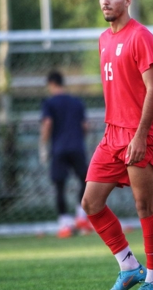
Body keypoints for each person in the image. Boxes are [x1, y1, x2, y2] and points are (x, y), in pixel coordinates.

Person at [81, 0, 153, 290]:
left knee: (145, 207)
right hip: (111, 133)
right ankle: (129, 266)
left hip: (139, 133)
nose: (106, 1)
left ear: (127, 0)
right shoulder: (104, 38)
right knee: (91, 203)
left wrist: (141, 136)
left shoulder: (141, 36)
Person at [40, 70, 91, 238]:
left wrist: (43, 145)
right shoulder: (76, 102)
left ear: (51, 84)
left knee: (59, 186)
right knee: (85, 180)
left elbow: (47, 123)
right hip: (77, 147)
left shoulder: (49, 103)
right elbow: (85, 126)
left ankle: (64, 223)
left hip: (59, 149)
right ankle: (80, 214)